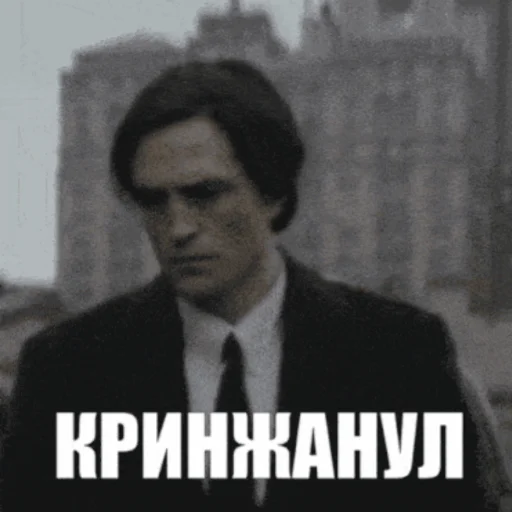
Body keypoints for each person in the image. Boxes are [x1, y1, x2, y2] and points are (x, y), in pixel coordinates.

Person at [0, 59, 509, 511]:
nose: (178, 227)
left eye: (206, 194)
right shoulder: (66, 371)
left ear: (273, 193)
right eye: (154, 201)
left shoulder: (402, 355)